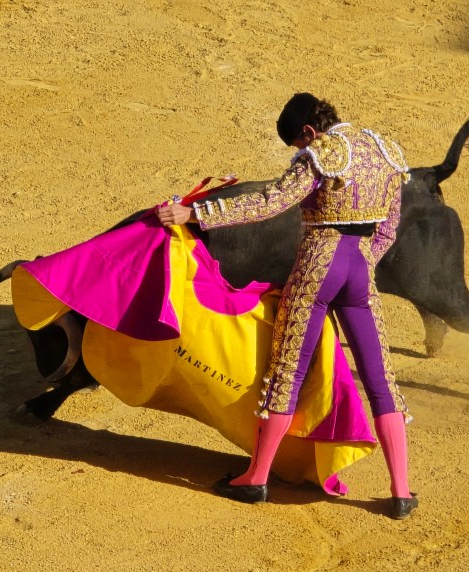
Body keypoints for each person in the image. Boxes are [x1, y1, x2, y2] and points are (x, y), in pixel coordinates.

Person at [156, 93, 417, 519]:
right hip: (360, 269)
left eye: (298, 143)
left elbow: (269, 202)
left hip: (318, 264)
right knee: (381, 380)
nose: (300, 149)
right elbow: (388, 228)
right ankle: (402, 491)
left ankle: (256, 478)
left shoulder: (322, 152)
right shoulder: (385, 150)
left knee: (287, 374)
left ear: (309, 132)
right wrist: (361, 263)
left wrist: (196, 214)